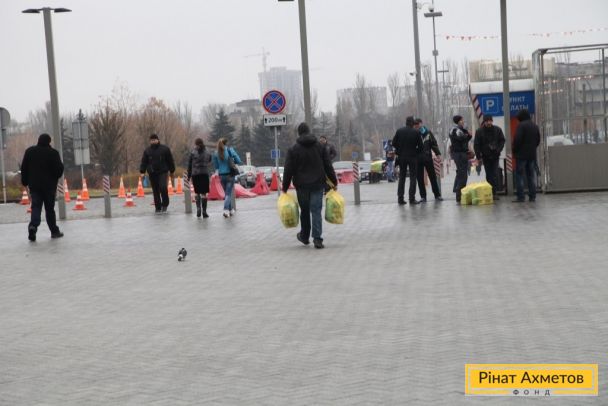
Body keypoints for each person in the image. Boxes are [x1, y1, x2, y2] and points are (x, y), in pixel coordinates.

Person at [282, 123, 338, 249]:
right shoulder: (320, 147)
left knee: (305, 211)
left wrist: (285, 187)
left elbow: (288, 169)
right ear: (309, 131)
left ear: (299, 133)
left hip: (301, 185)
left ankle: (304, 236)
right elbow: (328, 165)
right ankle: (317, 239)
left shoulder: (293, 149)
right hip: (318, 184)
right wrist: (334, 182)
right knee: (316, 210)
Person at [20, 133, 64, 241]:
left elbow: (24, 168)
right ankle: (54, 231)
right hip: (49, 187)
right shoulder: (53, 153)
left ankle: (33, 226)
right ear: (49, 142)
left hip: (34, 186)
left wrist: (25, 181)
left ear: (38, 140)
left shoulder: (29, 152)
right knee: (49, 209)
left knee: (36, 207)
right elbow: (59, 171)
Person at [140, 134, 175, 214]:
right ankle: (158, 207)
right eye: (151, 140)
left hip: (163, 172)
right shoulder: (147, 151)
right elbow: (144, 162)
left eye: (154, 140)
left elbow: (170, 161)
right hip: (152, 173)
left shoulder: (165, 149)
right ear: (150, 141)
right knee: (155, 190)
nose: (153, 141)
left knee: (163, 187)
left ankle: (165, 204)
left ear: (158, 140)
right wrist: (142, 172)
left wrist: (172, 171)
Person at [392, 116, 423, 205]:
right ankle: (411, 199)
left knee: (402, 177)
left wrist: (399, 150)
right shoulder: (416, 132)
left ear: (406, 122)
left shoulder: (399, 131)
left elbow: (393, 143)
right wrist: (415, 152)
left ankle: (400, 198)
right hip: (412, 157)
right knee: (413, 177)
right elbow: (421, 147)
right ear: (412, 123)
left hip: (401, 157)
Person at [474, 114, 505, 200]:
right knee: (489, 174)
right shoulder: (479, 131)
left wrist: (498, 149)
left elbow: (502, 140)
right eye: (487, 121)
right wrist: (478, 156)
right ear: (484, 122)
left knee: (495, 174)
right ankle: (490, 191)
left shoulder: (497, 130)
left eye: (490, 121)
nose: (489, 122)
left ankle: (494, 192)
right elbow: (476, 145)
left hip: (495, 155)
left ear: (492, 121)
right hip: (486, 156)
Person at [512, 109, 540, 202]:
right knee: (531, 175)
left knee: (519, 175)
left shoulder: (521, 126)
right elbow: (538, 140)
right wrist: (532, 148)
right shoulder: (535, 126)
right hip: (531, 155)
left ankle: (521, 196)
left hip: (521, 155)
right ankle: (532, 196)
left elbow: (517, 140)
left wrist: (515, 150)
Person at [212, 137, 242, 217]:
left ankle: (231, 209)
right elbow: (238, 161)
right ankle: (226, 210)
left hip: (222, 176)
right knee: (228, 194)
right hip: (230, 175)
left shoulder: (216, 153)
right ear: (226, 143)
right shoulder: (229, 150)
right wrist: (233, 160)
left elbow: (216, 166)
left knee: (226, 193)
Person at [414, 118, 443, 202]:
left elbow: (433, 144)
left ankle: (437, 195)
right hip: (417, 159)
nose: (417, 126)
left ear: (421, 123)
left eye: (418, 124)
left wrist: (438, 154)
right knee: (419, 178)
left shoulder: (428, 133)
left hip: (428, 157)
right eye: (415, 125)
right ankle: (423, 197)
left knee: (432, 177)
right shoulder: (414, 133)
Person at [449, 115, 473, 203]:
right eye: (462, 120)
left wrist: (468, 135)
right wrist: (467, 135)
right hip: (459, 154)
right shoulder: (455, 130)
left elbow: (467, 138)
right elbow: (462, 138)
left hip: (461, 154)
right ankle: (459, 196)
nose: (463, 121)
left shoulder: (460, 129)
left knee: (462, 174)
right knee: (462, 175)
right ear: (458, 121)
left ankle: (460, 194)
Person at [187, 138, 212, 218]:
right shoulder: (207, 152)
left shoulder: (193, 152)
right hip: (204, 174)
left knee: (197, 192)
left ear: (195, 144)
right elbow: (209, 160)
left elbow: (189, 165)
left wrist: (189, 175)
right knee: (204, 193)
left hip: (195, 174)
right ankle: (204, 211)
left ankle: (198, 209)